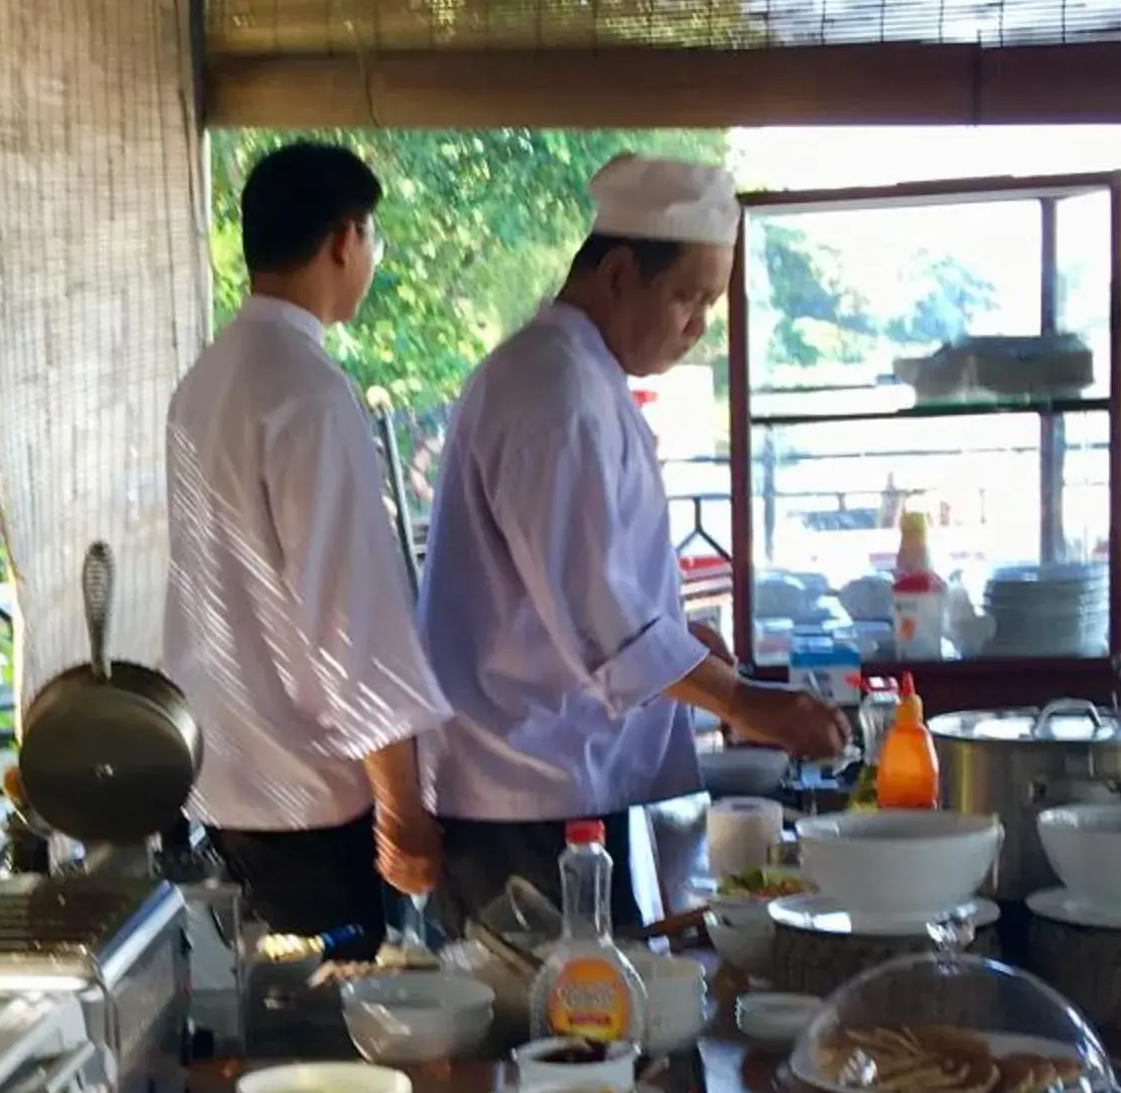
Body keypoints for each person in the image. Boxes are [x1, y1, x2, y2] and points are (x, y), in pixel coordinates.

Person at [418, 152, 848, 934]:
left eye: (711, 304)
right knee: (565, 1031)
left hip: (566, 778)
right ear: (619, 274)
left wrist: (687, 647)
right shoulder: (554, 392)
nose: (698, 327)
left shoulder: (579, 374)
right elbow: (606, 627)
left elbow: (597, 590)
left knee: (600, 1017)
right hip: (527, 792)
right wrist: (748, 702)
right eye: (688, 297)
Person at [164, 141, 448, 950]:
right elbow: (348, 614)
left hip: (223, 785)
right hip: (310, 800)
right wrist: (402, 807)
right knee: (336, 1049)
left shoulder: (206, 381)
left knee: (262, 1033)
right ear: (343, 240)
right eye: (374, 238)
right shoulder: (308, 391)